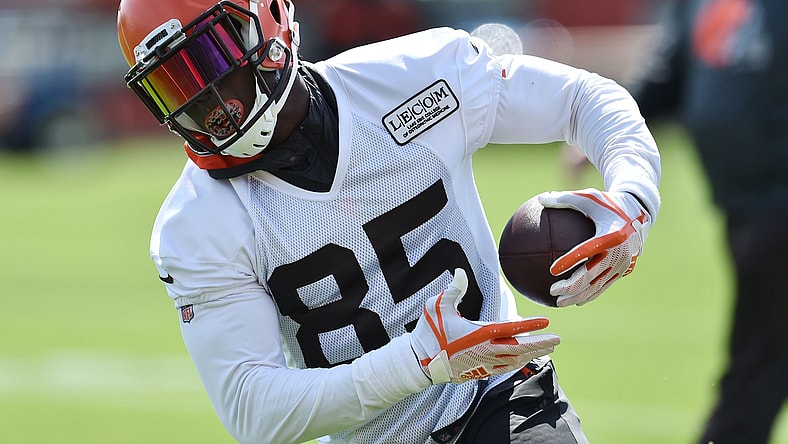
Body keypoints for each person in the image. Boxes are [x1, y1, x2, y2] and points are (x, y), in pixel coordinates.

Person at [116, 1, 661, 442]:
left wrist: (633, 200)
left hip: (503, 403)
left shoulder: (412, 77)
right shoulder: (197, 224)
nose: (208, 106)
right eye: (174, 88)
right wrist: (420, 361)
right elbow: (254, 412)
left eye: (210, 63)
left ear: (269, 24)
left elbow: (579, 99)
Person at [569, 0, 784, 442]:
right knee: (763, 352)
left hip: (777, 203)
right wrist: (602, 130)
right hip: (744, 205)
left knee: (759, 359)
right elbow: (667, 78)